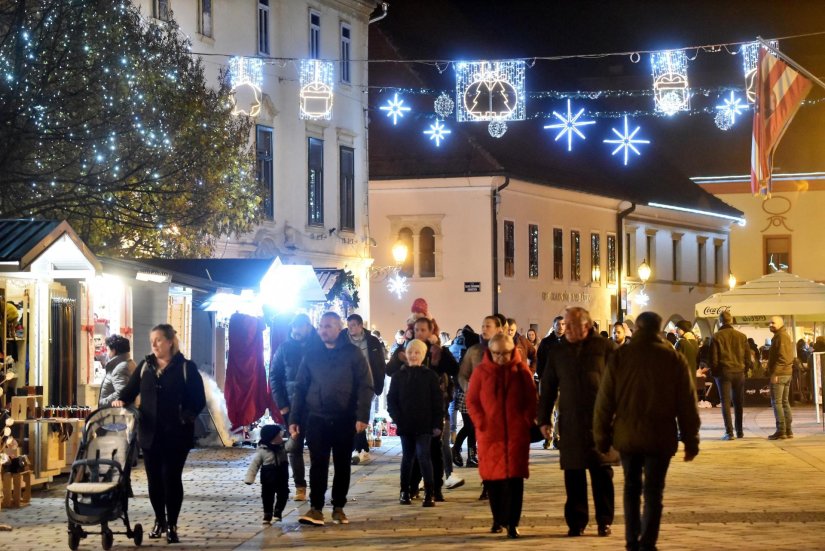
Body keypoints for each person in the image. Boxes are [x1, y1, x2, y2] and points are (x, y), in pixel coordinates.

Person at [594, 311, 700, 551]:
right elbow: (687, 404)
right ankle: (648, 542)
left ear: (637, 329)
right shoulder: (673, 358)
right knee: (654, 491)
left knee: (631, 487)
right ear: (659, 329)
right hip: (660, 435)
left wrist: (601, 437)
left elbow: (604, 400)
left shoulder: (621, 356)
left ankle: (632, 540)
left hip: (628, 435)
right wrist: (691, 440)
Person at [113, 324, 206, 544]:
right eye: (152, 340)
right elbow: (129, 390)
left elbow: (198, 399)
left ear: (170, 341)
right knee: (154, 481)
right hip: (150, 433)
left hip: (176, 434)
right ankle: (159, 520)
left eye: (158, 340)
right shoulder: (146, 365)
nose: (154, 344)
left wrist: (187, 416)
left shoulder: (186, 367)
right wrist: (120, 400)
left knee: (171, 479)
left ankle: (172, 524)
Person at [289, 312, 373, 526]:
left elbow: (365, 385)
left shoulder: (353, 354)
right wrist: (294, 417)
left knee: (342, 463)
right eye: (321, 326)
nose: (323, 330)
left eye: (328, 326)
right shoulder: (311, 354)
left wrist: (362, 415)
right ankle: (316, 508)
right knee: (318, 463)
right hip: (317, 417)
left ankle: (338, 507)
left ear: (339, 328)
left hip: (345, 418)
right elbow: (300, 387)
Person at [538, 307, 614, 538]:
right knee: (573, 475)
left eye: (571, 325)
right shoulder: (558, 352)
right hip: (570, 421)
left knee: (602, 474)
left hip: (600, 421)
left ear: (586, 326)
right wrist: (544, 419)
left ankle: (604, 520)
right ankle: (576, 521)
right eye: (564, 324)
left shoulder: (605, 348)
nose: (566, 329)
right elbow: (548, 386)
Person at [466, 334, 536, 539]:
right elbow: (473, 401)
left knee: (515, 479)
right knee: (493, 480)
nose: (501, 357)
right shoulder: (481, 372)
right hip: (490, 434)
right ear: (490, 351)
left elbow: (531, 399)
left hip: (516, 434)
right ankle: (499, 517)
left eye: (505, 353)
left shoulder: (521, 371)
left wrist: (525, 420)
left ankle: (513, 523)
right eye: (497, 353)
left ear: (512, 350)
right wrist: (481, 422)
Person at [387, 339, 443, 507]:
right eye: (410, 352)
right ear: (405, 354)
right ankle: (404, 491)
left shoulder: (430, 376)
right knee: (407, 458)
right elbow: (392, 400)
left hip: (424, 424)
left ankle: (429, 492)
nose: (413, 356)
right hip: (406, 424)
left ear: (423, 355)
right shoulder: (398, 376)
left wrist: (437, 423)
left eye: (417, 352)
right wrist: (397, 418)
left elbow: (437, 401)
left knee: (424, 457)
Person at [269, 313, 318, 502]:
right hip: (291, 406)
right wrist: (282, 405)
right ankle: (300, 486)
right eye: (294, 328)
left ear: (308, 327)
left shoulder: (318, 347)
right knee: (294, 446)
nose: (296, 332)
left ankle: (316, 485)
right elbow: (274, 376)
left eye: (300, 328)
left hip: (315, 406)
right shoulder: (284, 348)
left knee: (317, 447)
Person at [455, 315, 504, 468]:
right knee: (472, 427)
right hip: (473, 398)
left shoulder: (505, 350)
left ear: (499, 329)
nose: (484, 329)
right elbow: (462, 374)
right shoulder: (474, 350)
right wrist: (468, 387)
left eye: (488, 326)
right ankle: (469, 455)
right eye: (483, 326)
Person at [342, 314, 387, 465]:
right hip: (347, 383)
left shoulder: (372, 341)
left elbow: (380, 363)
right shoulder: (342, 339)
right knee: (355, 415)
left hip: (367, 383)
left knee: (361, 415)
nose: (351, 328)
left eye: (354, 325)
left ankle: (360, 448)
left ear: (361, 326)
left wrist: (378, 383)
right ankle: (360, 449)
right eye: (349, 325)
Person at [709, 311, 752, 440]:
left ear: (720, 321)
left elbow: (713, 359)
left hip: (724, 372)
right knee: (738, 403)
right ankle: (740, 431)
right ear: (731, 320)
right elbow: (747, 357)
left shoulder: (716, 337)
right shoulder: (742, 336)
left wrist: (715, 373)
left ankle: (729, 432)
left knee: (725, 402)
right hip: (739, 372)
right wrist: (745, 369)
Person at [245, 424, 289, 525]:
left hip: (282, 477)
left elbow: (291, 446)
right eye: (279, 435)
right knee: (267, 496)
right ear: (271, 438)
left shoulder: (283, 448)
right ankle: (267, 514)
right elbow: (254, 465)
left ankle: (278, 511)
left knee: (283, 494)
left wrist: (295, 438)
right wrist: (249, 479)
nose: (281, 437)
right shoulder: (262, 451)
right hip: (268, 478)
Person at [767, 316, 794, 440]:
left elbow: (782, 357)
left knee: (777, 402)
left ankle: (781, 430)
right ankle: (788, 430)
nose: (770, 324)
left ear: (780, 324)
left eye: (773, 323)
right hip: (786, 373)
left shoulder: (781, 337)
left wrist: (775, 374)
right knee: (784, 402)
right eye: (770, 322)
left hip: (781, 374)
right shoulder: (783, 336)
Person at [98, 334, 137, 408]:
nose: (107, 353)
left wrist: (103, 402)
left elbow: (122, 393)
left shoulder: (120, 368)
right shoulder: (129, 362)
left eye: (108, 350)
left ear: (113, 351)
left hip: (114, 414)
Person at [536, 315, 565, 380]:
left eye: (563, 324)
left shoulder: (569, 342)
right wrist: (540, 376)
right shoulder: (545, 342)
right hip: (549, 378)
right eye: (558, 324)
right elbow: (540, 360)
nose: (561, 327)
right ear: (553, 327)